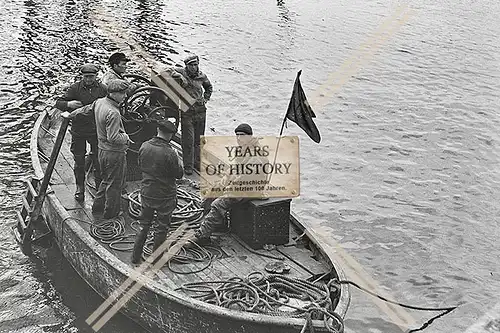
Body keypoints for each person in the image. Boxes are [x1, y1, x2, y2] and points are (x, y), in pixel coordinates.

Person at [190, 123, 268, 245]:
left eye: (242, 135)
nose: (238, 138)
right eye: (237, 135)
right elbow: (232, 171)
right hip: (240, 185)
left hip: (252, 189)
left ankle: (202, 236)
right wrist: (220, 185)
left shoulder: (256, 156)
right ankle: (217, 225)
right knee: (212, 192)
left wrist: (227, 189)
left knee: (218, 204)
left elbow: (244, 179)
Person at [131, 119, 183, 264]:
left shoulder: (144, 146)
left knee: (144, 224)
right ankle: (157, 260)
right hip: (165, 195)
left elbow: (140, 165)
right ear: (171, 135)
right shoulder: (170, 152)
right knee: (162, 227)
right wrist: (178, 159)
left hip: (147, 192)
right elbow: (179, 174)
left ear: (157, 130)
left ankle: (135, 257)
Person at [55, 63, 107, 201]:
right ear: (82, 76)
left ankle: (99, 186)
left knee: (98, 160)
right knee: (79, 161)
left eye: (92, 77)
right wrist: (68, 104)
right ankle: (80, 188)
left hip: (96, 130)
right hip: (79, 130)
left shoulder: (102, 89)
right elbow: (58, 102)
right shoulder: (75, 89)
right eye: (86, 77)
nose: (89, 80)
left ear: (96, 76)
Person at [92, 79, 132, 219]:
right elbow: (113, 138)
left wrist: (71, 114)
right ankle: (111, 214)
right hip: (114, 153)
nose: (125, 96)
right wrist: (126, 138)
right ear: (113, 94)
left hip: (101, 150)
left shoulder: (99, 102)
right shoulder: (113, 112)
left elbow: (86, 110)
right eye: (122, 94)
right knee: (115, 184)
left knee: (106, 180)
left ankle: (97, 207)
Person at [171, 54, 213, 175]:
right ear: (186, 66)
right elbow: (164, 70)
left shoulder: (202, 76)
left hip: (200, 112)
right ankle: (188, 165)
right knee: (187, 140)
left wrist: (206, 98)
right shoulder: (181, 72)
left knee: (199, 140)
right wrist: (179, 76)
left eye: (196, 65)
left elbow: (209, 87)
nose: (194, 67)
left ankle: (197, 162)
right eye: (191, 65)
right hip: (187, 112)